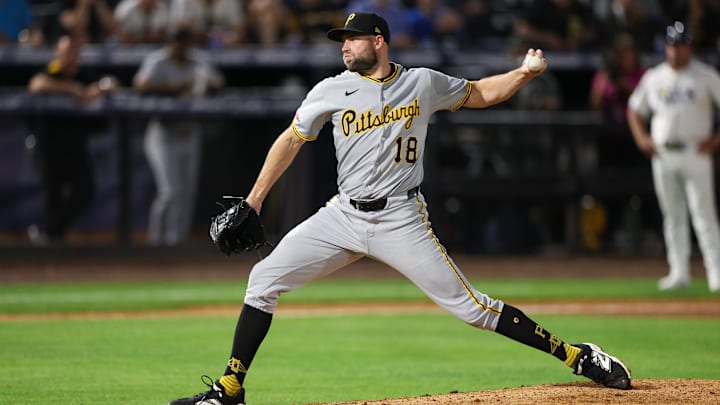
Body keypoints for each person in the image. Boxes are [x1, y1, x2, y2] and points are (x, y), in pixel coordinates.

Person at [169, 12, 632, 405]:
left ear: (378, 41)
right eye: (341, 42)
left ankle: (579, 355)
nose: (344, 48)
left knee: (474, 310)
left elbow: (482, 93)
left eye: (351, 39)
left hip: (400, 218)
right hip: (342, 215)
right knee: (262, 280)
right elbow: (292, 138)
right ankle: (229, 390)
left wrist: (524, 74)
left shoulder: (422, 83)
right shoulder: (331, 89)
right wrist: (254, 199)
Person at [627, 20, 720, 292]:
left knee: (703, 214)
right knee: (673, 215)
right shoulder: (654, 77)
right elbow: (634, 110)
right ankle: (678, 272)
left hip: (695, 151)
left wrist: (715, 141)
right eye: (672, 45)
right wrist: (642, 138)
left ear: (689, 47)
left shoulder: (704, 75)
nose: (676, 50)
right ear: (665, 47)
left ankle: (715, 272)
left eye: (681, 45)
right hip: (663, 153)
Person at [133, 27, 224, 246]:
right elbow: (141, 85)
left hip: (190, 131)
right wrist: (176, 87)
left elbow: (218, 83)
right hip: (163, 133)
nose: (179, 46)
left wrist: (202, 85)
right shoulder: (158, 61)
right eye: (175, 41)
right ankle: (157, 241)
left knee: (187, 193)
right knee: (169, 192)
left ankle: (176, 242)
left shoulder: (198, 62)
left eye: (183, 42)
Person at [27, 35, 118, 244]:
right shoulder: (51, 70)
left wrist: (96, 89)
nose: (68, 56)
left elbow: (108, 84)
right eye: (64, 51)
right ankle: (52, 241)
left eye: (72, 52)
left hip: (76, 145)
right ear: (57, 53)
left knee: (85, 192)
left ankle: (51, 232)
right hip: (49, 145)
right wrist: (73, 90)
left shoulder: (83, 74)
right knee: (53, 196)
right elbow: (36, 84)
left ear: (78, 55)